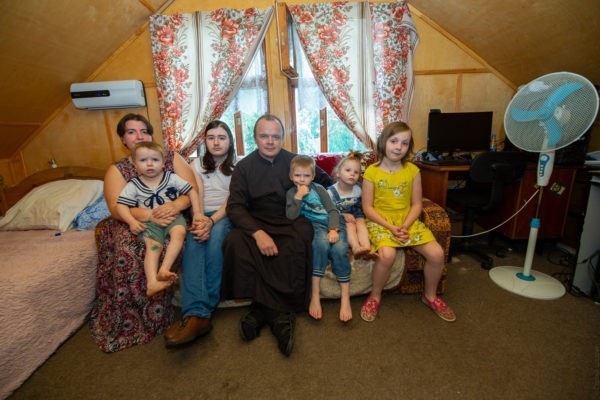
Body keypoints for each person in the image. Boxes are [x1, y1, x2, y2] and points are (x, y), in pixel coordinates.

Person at [221, 114, 333, 357]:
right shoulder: (244, 167)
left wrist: (341, 208)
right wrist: (257, 233)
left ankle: (262, 310)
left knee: (300, 237)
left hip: (289, 219)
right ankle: (279, 314)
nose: (270, 141)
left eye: (275, 136)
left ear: (283, 137)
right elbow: (235, 207)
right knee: (234, 242)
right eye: (264, 136)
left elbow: (329, 183)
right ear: (255, 138)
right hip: (257, 220)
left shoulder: (297, 161)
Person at [89, 113, 197, 353]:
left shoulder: (170, 158)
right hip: (134, 220)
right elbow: (116, 207)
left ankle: (162, 310)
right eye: (131, 132)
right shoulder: (118, 169)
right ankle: (131, 319)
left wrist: (175, 207)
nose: (139, 136)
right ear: (123, 139)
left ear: (151, 135)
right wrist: (149, 216)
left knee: (179, 238)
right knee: (128, 249)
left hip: (173, 216)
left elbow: (191, 191)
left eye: (144, 131)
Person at [361, 121, 456, 323]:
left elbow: (417, 204)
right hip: (381, 222)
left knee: (437, 254)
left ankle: (430, 296)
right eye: (394, 141)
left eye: (405, 143)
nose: (399, 147)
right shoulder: (371, 172)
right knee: (387, 255)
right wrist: (390, 227)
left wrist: (404, 226)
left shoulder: (413, 170)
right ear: (383, 142)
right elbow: (367, 208)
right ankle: (375, 296)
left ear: (409, 147)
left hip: (407, 221)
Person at [164, 120, 236, 348]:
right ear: (205, 141)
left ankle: (204, 310)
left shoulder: (239, 166)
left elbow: (231, 201)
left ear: (230, 141)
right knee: (193, 244)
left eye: (222, 137)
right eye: (211, 137)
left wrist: (212, 222)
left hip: (225, 215)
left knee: (215, 243)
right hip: (201, 213)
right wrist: (200, 219)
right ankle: (195, 313)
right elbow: (197, 193)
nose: (216, 142)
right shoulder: (195, 165)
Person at [116, 142, 202, 297]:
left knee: (180, 232)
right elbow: (121, 205)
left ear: (163, 163)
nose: (149, 164)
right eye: (143, 160)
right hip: (150, 223)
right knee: (153, 247)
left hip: (173, 218)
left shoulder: (171, 178)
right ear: (135, 165)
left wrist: (197, 213)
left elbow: (192, 192)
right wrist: (131, 221)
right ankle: (152, 283)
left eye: (155, 160)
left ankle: (164, 269)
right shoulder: (133, 185)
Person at [285, 155, 352, 322]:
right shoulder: (291, 193)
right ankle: (315, 296)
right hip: (316, 225)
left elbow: (333, 211)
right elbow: (291, 216)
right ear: (291, 176)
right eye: (297, 175)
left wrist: (333, 229)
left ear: (313, 176)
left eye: (306, 176)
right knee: (320, 244)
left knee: (339, 249)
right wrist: (298, 197)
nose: (302, 179)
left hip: (333, 222)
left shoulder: (319, 189)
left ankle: (345, 298)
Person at [327, 151, 373, 258]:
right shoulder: (331, 192)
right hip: (341, 218)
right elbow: (327, 210)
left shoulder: (359, 189)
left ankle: (367, 248)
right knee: (350, 225)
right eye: (348, 170)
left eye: (356, 172)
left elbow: (365, 204)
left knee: (361, 223)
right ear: (338, 173)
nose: (352, 174)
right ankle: (356, 247)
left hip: (357, 215)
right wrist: (342, 215)